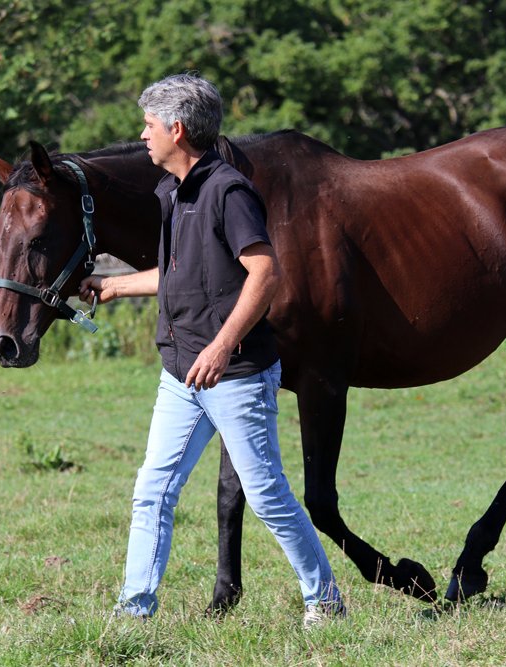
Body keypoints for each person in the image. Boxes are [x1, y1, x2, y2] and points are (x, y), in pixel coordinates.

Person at [79, 72, 344, 629]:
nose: (143, 134)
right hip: (181, 373)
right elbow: (180, 273)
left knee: (266, 495)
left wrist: (223, 347)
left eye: (149, 124)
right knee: (153, 489)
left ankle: (324, 599)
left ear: (176, 129)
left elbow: (265, 274)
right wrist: (112, 285)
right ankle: (134, 609)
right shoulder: (171, 192)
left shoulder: (228, 191)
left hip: (235, 374)